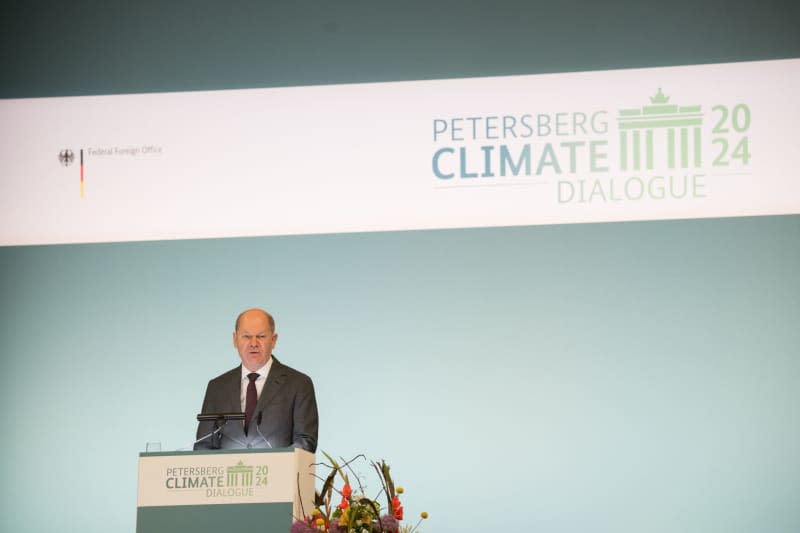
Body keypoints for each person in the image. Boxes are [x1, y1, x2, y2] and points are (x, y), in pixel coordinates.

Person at [194, 308, 318, 452]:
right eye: (246, 336)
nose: (253, 343)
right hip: (230, 474)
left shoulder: (298, 384)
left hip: (278, 473)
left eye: (261, 336)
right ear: (235, 339)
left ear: (273, 340)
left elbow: (305, 442)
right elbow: (203, 446)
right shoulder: (217, 387)